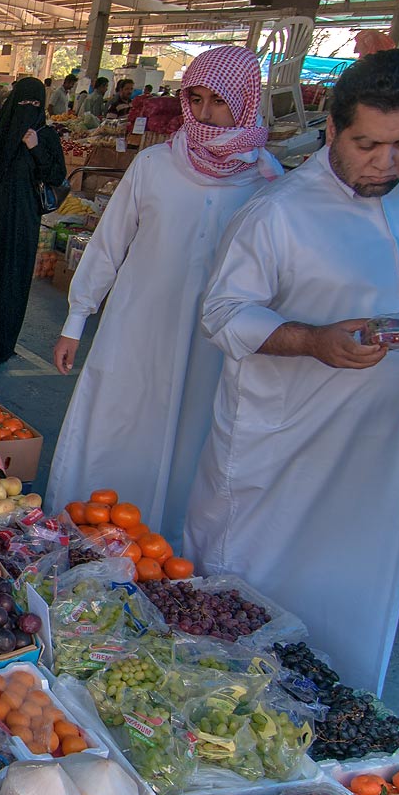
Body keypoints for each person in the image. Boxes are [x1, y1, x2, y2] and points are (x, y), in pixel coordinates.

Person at [182, 49, 399, 693]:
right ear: (330, 129)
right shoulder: (280, 212)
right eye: (366, 143)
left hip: (387, 442)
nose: (385, 163)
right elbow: (222, 314)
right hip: (285, 446)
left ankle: (339, 715)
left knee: (359, 589)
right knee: (249, 593)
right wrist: (311, 339)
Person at [46, 47, 283, 539]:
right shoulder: (154, 164)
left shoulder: (267, 180)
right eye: (194, 99)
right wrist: (76, 321)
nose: (203, 114)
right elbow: (109, 246)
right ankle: (83, 535)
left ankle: (165, 551)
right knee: (117, 425)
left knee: (192, 441)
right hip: (136, 327)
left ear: (244, 102)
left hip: (213, 344)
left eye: (218, 101)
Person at [0, 78, 66, 368]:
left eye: (34, 104)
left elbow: (56, 176)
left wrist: (35, 147)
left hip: (20, 225)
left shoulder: (46, 137)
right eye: (23, 103)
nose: (27, 110)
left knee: (6, 282)